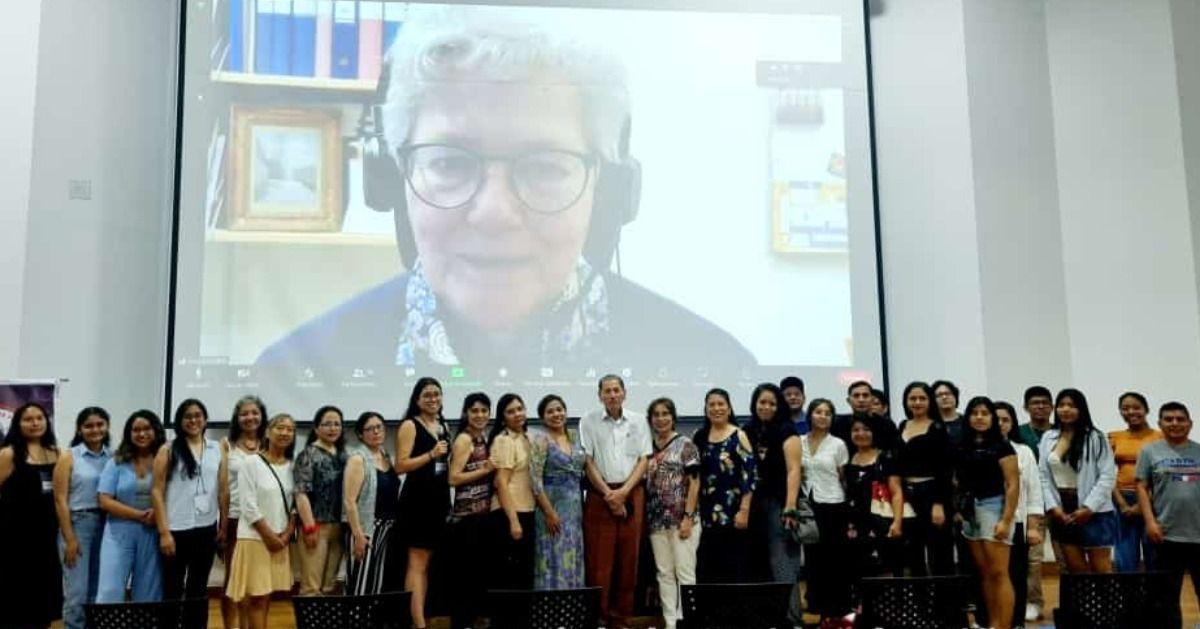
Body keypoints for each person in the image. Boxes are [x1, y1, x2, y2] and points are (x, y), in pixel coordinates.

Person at [580, 375, 651, 628]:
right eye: (607, 391)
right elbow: (587, 461)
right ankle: (600, 616)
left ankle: (622, 617)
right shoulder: (588, 421)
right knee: (600, 562)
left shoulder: (639, 420)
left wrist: (623, 493)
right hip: (601, 496)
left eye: (616, 390)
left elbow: (644, 459)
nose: (612, 395)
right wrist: (610, 495)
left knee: (628, 560)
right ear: (600, 395)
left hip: (632, 493)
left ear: (624, 393)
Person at [225, 413, 296, 629]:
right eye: (279, 427)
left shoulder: (293, 467)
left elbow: (295, 506)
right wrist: (270, 536)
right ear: (267, 431)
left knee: (267, 598)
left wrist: (285, 535)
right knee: (256, 597)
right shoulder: (251, 463)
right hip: (256, 539)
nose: (285, 432)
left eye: (290, 429)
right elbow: (248, 505)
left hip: (280, 540)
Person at [955, 397, 1019, 629]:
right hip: (970, 511)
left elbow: (1012, 484)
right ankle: (993, 623)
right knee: (985, 573)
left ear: (992, 418)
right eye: (975, 413)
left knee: (999, 572)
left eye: (985, 413)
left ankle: (1004, 625)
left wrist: (1006, 520)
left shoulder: (1002, 445)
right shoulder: (963, 445)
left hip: (994, 506)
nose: (980, 417)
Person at [1037, 388, 1117, 573]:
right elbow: (1043, 476)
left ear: (1081, 409)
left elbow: (1107, 475)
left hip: (1095, 512)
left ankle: (1108, 603)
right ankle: (1086, 604)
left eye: (1071, 405)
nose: (1066, 409)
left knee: (1101, 569)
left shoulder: (1096, 437)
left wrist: (1088, 508)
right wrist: (1053, 507)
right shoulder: (1048, 437)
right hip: (1062, 511)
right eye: (1062, 405)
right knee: (1076, 570)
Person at [1136, 401, 1200, 629]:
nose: (1175, 423)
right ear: (1160, 423)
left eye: (1180, 419)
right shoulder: (1149, 451)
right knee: (1166, 598)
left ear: (1190, 424)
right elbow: (1142, 487)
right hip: (1166, 535)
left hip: (1198, 535)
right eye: (1169, 419)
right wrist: (1150, 522)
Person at [744, 384, 803, 624]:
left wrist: (790, 506)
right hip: (753, 507)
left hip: (779, 504)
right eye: (762, 402)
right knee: (758, 564)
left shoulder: (787, 430)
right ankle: (767, 619)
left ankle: (792, 620)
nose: (766, 407)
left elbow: (794, 470)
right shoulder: (747, 429)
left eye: (772, 403)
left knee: (782, 564)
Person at [394, 378, 451, 628]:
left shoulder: (443, 425)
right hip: (417, 500)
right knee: (416, 561)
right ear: (417, 399)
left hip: (438, 499)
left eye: (436, 394)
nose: (433, 399)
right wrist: (430, 454)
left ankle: (421, 617)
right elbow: (400, 465)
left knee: (426, 562)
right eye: (427, 395)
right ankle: (417, 623)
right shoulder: (410, 425)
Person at [0, 403, 63, 628]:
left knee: (46, 591)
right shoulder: (9, 454)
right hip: (14, 535)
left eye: (39, 418)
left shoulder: (56, 452)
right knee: (16, 592)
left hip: (46, 535)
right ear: (18, 424)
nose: (35, 423)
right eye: (28, 419)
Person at [153, 398, 222, 601]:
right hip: (176, 530)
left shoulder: (216, 449)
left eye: (198, 415)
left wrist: (223, 525)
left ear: (206, 419)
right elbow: (157, 492)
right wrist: (164, 532)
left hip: (206, 528)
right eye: (187, 416)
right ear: (179, 421)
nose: (193, 420)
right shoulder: (168, 449)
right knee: (172, 588)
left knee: (198, 589)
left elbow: (223, 490)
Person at [96, 410, 167, 603]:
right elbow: (104, 500)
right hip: (119, 532)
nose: (142, 434)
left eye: (147, 429)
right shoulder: (116, 462)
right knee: (109, 591)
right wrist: (139, 515)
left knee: (148, 593)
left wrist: (159, 516)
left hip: (153, 533)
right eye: (136, 430)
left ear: (156, 431)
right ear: (129, 433)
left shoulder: (167, 459)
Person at [52, 407, 112, 629]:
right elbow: (60, 500)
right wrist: (70, 539)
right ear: (79, 429)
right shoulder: (69, 456)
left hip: (107, 525)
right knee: (76, 591)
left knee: (98, 588)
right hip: (78, 525)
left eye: (99, 424)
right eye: (88, 425)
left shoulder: (113, 456)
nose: (95, 429)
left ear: (107, 427)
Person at [645, 397, 701, 629]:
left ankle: (686, 621)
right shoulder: (647, 448)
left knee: (685, 574)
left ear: (673, 417)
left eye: (665, 413)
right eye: (656, 415)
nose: (661, 419)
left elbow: (695, 482)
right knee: (664, 574)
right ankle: (670, 622)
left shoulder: (686, 444)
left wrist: (687, 517)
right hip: (657, 522)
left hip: (683, 521)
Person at [695, 388, 757, 584]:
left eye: (721, 404)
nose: (716, 408)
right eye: (711, 405)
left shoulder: (739, 435)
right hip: (705, 514)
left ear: (729, 408)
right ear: (706, 410)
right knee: (708, 566)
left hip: (733, 513)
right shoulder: (699, 437)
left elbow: (750, 475)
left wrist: (744, 510)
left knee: (733, 565)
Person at [217, 395, 267, 629]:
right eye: (245, 414)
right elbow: (224, 489)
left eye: (254, 412)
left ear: (262, 416)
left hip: (263, 521)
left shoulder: (269, 443)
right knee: (232, 581)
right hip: (237, 519)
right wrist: (224, 523)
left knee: (254, 582)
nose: (250, 417)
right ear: (237, 419)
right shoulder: (227, 445)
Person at [447, 393, 495, 629]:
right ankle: (462, 622)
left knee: (478, 576)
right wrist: (485, 471)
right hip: (466, 518)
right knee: (465, 578)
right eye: (475, 411)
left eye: (484, 411)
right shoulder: (464, 440)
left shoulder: (482, 438)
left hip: (482, 515)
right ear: (466, 413)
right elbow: (453, 478)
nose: (480, 415)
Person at [801, 398, 852, 621]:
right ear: (810, 415)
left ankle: (837, 608)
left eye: (827, 413)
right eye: (818, 411)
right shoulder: (799, 441)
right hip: (808, 503)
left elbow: (844, 478)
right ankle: (816, 605)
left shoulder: (838, 444)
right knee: (813, 558)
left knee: (834, 557)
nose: (822, 416)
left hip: (833, 504)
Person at [896, 381, 954, 576]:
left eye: (922, 398)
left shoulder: (937, 428)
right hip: (907, 495)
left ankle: (944, 606)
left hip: (932, 494)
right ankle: (921, 605)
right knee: (913, 553)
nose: (917, 402)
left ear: (930, 401)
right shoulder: (902, 425)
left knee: (939, 553)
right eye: (912, 398)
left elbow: (944, 468)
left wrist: (939, 503)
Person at [996, 401, 1044, 629]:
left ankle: (1016, 623)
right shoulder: (974, 451)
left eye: (1005, 419)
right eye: (995, 418)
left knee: (1016, 575)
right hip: (985, 526)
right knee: (990, 576)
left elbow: (1034, 492)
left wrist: (1033, 526)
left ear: (1013, 423)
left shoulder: (1023, 451)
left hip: (1016, 523)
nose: (1000, 424)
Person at [530, 394, 586, 590]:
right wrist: (549, 513)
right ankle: (550, 616)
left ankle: (571, 615)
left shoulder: (574, 436)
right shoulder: (540, 440)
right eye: (550, 411)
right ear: (543, 417)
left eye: (559, 409)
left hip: (575, 511)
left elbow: (586, 468)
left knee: (573, 559)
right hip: (551, 511)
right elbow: (535, 480)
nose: (556, 414)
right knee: (551, 560)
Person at [843, 415, 906, 580]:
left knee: (886, 568)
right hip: (855, 525)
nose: (860, 434)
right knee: (858, 571)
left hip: (881, 522)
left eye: (866, 429)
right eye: (855, 430)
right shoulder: (848, 458)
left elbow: (896, 491)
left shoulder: (886, 457)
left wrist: (897, 522)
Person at [344, 411, 400, 595]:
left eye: (379, 427)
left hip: (387, 528)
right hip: (367, 529)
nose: (376, 432)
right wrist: (359, 535)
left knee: (377, 583)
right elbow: (350, 501)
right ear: (360, 434)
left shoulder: (385, 456)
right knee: (360, 584)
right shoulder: (358, 459)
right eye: (370, 429)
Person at [294, 405, 348, 595]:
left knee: (329, 585)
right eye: (327, 424)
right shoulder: (308, 455)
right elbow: (301, 494)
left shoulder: (343, 455)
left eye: (337, 424)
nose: (333, 428)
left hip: (339, 527)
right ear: (316, 428)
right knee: (311, 586)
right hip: (316, 526)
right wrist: (309, 528)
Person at [1107, 391, 1161, 572]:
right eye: (1125, 408)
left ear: (1146, 409)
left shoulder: (1160, 437)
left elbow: (1162, 473)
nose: (1131, 412)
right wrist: (1121, 503)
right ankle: (1131, 599)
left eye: (1136, 407)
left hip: (1154, 500)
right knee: (1125, 559)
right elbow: (1106, 472)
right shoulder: (1114, 437)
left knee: (1155, 554)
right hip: (1122, 500)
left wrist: (1143, 503)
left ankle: (1155, 600)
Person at [489, 393, 537, 591]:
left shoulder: (527, 437)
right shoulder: (504, 440)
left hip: (527, 510)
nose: (517, 414)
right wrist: (514, 521)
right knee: (510, 577)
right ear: (502, 418)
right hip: (509, 513)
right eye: (511, 411)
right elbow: (501, 482)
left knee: (524, 574)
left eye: (520, 409)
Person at [1016, 384, 1053, 623]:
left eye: (1044, 403)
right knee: (1033, 559)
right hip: (1032, 503)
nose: (1040, 407)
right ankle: (1033, 602)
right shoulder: (1019, 433)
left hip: (1060, 503)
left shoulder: (1062, 431)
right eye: (1034, 403)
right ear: (1026, 407)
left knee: (1065, 558)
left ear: (1051, 407)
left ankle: (1075, 602)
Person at [933, 380, 965, 445]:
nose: (944, 397)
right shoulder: (930, 423)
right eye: (939, 395)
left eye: (948, 394)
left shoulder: (966, 422)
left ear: (955, 397)